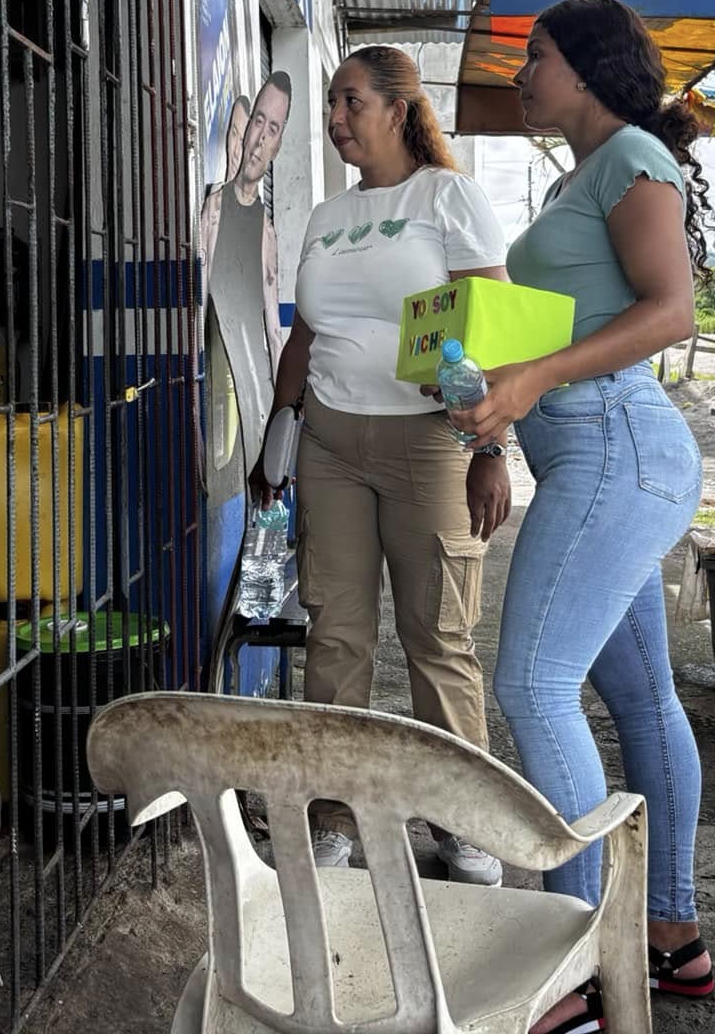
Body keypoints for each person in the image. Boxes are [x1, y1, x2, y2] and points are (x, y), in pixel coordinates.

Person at [451, 0, 715, 1010]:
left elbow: (671, 311)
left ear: (590, 65)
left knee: (530, 686)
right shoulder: (580, 176)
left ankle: (575, 956)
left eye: (538, 56)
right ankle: (668, 936)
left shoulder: (630, 160)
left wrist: (532, 377)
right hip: (591, 456)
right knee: (641, 698)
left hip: (615, 446)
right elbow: (560, 327)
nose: (522, 74)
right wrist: (490, 389)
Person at [249, 46, 514, 887]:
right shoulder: (328, 217)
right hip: (329, 444)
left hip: (428, 445)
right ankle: (332, 817)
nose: (335, 119)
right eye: (330, 103)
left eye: (350, 101)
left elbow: (493, 324)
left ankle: (463, 820)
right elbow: (306, 335)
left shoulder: (447, 198)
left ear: (399, 109)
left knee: (438, 638)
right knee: (336, 635)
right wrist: (278, 429)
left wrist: (490, 448)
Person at [200, 73, 291, 483]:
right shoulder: (215, 208)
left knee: (256, 479)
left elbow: (273, 328)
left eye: (272, 129)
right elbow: (198, 300)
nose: (258, 140)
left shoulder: (266, 229)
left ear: (277, 145)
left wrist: (279, 404)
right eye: (258, 122)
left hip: (254, 382)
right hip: (217, 371)